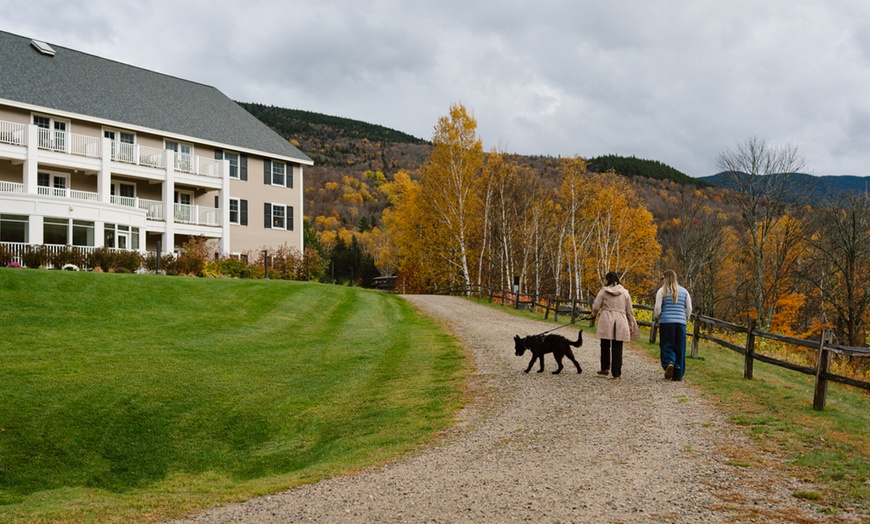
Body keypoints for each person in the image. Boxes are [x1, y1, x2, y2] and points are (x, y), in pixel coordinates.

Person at [591, 271, 640, 379]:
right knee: (618, 346)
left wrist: (593, 314)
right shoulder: (625, 292)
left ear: (608, 280)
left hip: (606, 319)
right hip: (620, 320)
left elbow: (595, 306)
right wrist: (631, 323)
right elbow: (629, 310)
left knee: (605, 345)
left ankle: (605, 368)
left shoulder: (604, 291)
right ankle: (616, 372)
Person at [654, 269, 693, 381]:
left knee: (667, 345)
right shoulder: (684, 291)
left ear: (666, 278)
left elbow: (657, 308)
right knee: (680, 347)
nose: (662, 280)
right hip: (680, 323)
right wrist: (685, 318)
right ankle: (678, 374)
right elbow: (689, 308)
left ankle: (669, 363)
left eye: (662, 278)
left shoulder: (662, 291)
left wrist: (658, 317)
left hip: (666, 322)